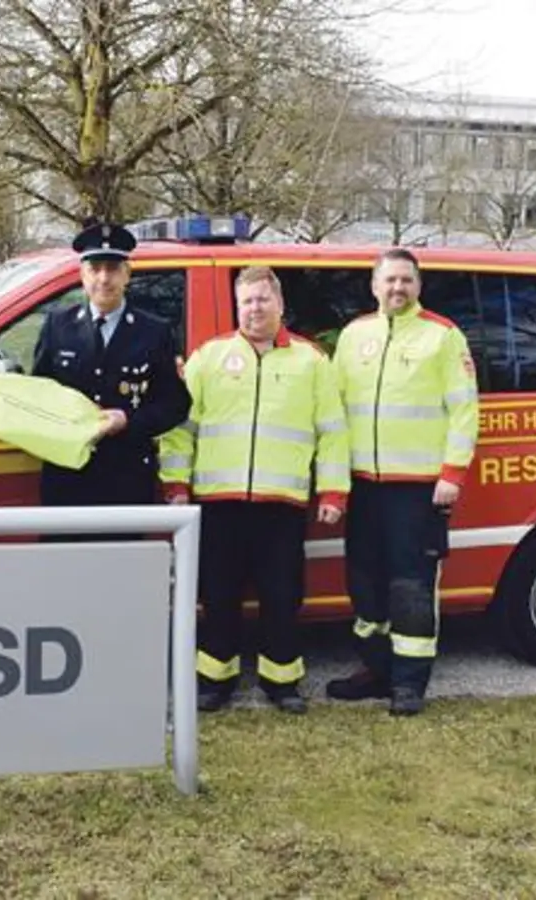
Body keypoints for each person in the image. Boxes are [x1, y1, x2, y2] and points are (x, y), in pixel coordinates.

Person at [159, 266, 349, 714]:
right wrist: (176, 484)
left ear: (280, 304)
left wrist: (333, 492)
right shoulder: (209, 357)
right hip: (217, 501)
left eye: (263, 299)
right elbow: (180, 429)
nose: (255, 308)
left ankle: (282, 681)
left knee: (282, 595)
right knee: (217, 594)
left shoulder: (310, 361)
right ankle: (214, 679)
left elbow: (333, 432)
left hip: (282, 504)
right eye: (246, 300)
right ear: (236, 305)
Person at [325, 249, 480, 716]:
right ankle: (376, 669)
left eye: (405, 280)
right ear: (374, 286)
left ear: (418, 286)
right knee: (364, 583)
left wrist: (452, 473)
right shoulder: (354, 335)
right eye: (389, 280)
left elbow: (464, 410)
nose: (397, 288)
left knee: (411, 586)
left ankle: (409, 683)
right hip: (363, 485)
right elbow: (332, 410)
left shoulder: (442, 336)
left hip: (418, 488)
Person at [31, 222, 191, 527]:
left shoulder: (154, 332)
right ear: (82, 275)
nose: (104, 278)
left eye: (113, 269)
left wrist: (128, 420)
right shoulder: (58, 326)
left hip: (126, 479)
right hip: (67, 479)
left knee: (123, 557)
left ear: (127, 274)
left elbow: (175, 405)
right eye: (95, 269)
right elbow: (39, 395)